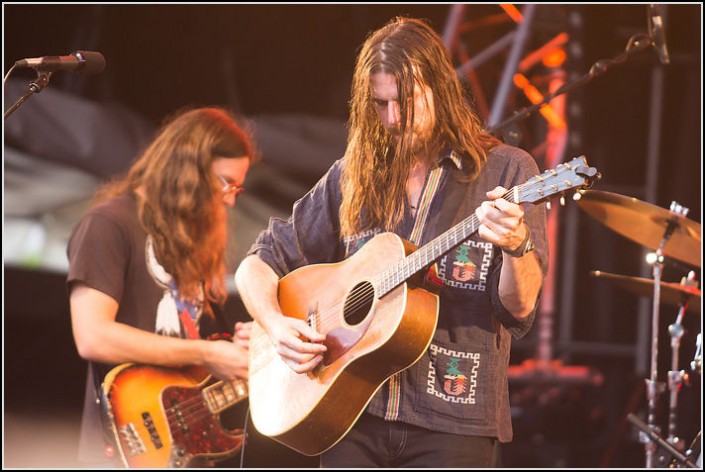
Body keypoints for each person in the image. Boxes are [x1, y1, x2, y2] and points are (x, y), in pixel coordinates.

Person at [235, 16, 548, 468]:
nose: (393, 119)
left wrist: (516, 246)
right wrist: (276, 324)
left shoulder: (507, 172)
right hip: (353, 415)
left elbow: (519, 310)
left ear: (440, 88)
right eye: (380, 105)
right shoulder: (356, 173)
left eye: (404, 102)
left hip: (453, 422)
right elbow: (258, 261)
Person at [67, 107, 255, 467]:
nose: (230, 199)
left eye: (237, 187)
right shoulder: (109, 224)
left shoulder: (188, 241)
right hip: (124, 449)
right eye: (224, 183)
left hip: (184, 452)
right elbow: (92, 336)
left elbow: (195, 350)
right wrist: (207, 354)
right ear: (187, 168)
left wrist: (233, 346)